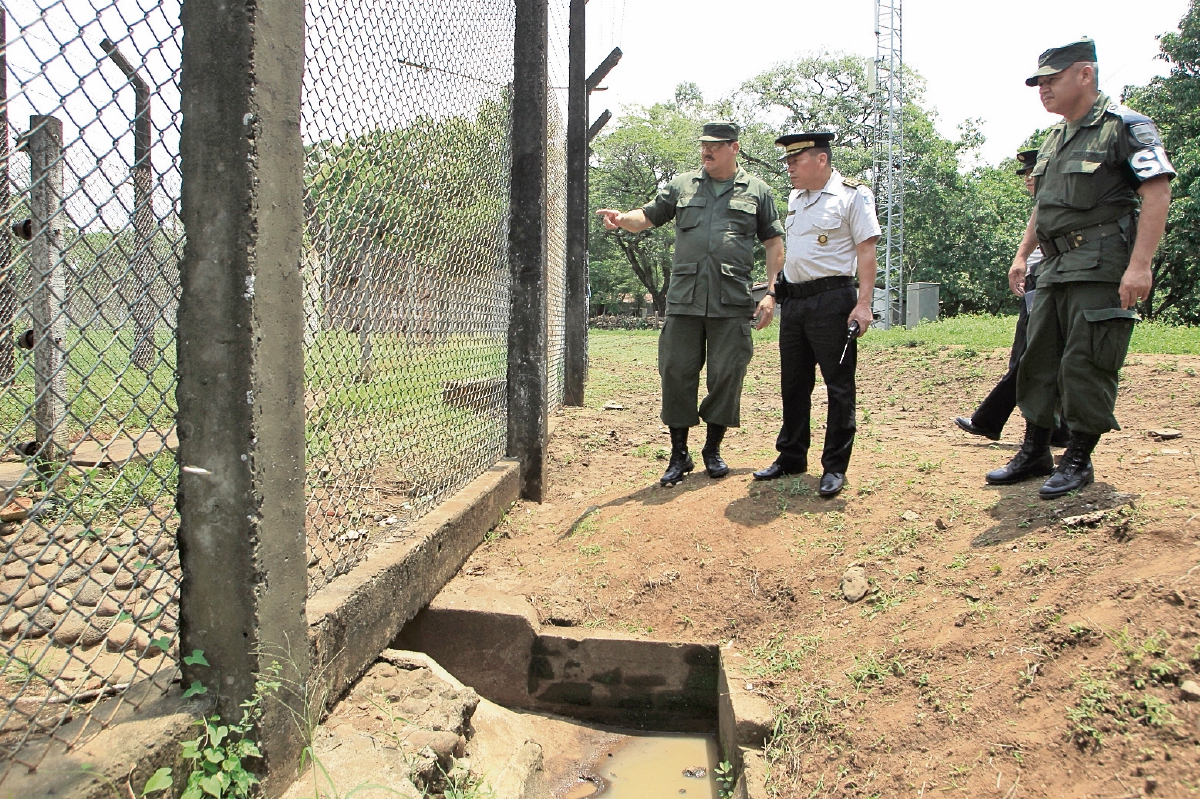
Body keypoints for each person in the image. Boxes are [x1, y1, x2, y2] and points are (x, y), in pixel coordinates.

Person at [986, 38, 1173, 498]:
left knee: (1085, 360)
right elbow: (1043, 204)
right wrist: (1021, 253)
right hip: (1053, 264)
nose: (1043, 89)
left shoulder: (1125, 128)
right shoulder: (1055, 137)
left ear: (1084, 75)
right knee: (1037, 358)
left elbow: (1157, 191)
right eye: (1039, 82)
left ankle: (1078, 458)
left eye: (1052, 80)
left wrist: (1140, 266)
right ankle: (1034, 450)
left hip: (1100, 262)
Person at [596, 121, 785, 486]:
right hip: (684, 299)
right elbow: (646, 216)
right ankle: (679, 454)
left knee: (727, 374)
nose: (706, 151)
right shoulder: (682, 185)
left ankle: (712, 449)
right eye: (703, 146)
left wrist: (772, 294)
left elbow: (774, 245)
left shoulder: (757, 191)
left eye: (714, 146)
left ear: (734, 148)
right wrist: (622, 220)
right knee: (676, 371)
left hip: (731, 301)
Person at [752, 132, 880, 498]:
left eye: (796, 160)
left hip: (832, 300)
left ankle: (835, 466)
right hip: (795, 302)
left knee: (838, 386)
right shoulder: (796, 198)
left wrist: (864, 303)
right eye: (788, 162)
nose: (789, 168)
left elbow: (866, 252)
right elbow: (792, 254)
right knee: (793, 384)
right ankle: (791, 455)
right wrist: (774, 294)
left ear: (820, 160)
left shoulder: (853, 196)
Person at [955, 149, 1070, 447]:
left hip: (1049, 283)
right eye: (1026, 176)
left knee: (1027, 357)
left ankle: (989, 420)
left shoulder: (1063, 202)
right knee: (1036, 356)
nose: (1028, 181)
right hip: (1038, 282)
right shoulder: (1045, 205)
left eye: (1033, 174)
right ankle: (1058, 428)